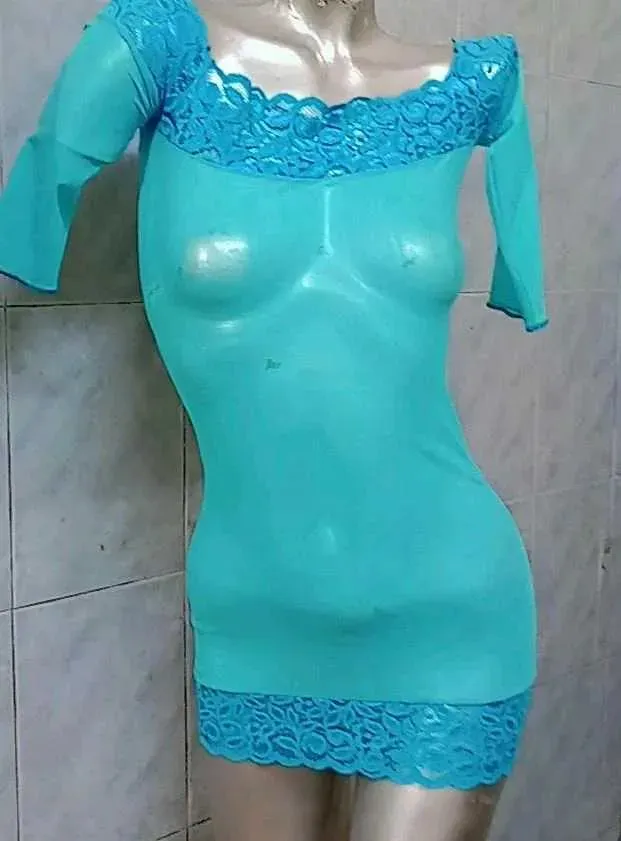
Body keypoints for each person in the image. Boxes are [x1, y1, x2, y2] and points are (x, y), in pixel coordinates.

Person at [0, 0, 547, 838]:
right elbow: (32, 209)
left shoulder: (471, 83)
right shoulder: (155, 49)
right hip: (258, 616)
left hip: (450, 609)